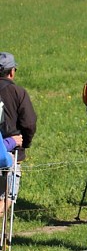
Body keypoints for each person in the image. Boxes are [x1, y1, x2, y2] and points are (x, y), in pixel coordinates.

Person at [0, 52, 37, 216]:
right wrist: (24, 143)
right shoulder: (18, 92)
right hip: (10, 151)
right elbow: (29, 123)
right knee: (7, 197)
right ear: (12, 71)